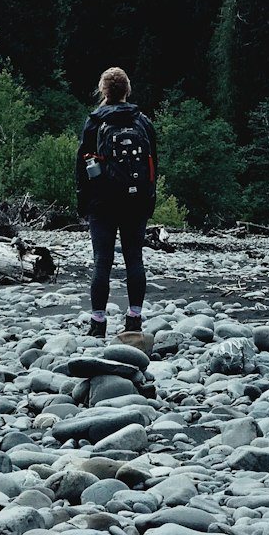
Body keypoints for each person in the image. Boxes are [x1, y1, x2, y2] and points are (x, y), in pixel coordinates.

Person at [75, 66, 157, 338]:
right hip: (136, 201)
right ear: (127, 91)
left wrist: (83, 203)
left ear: (103, 90)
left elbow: (81, 166)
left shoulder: (94, 122)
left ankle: (98, 324)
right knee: (135, 259)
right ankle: (134, 319)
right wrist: (149, 199)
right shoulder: (142, 121)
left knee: (102, 262)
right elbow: (153, 164)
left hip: (102, 203)